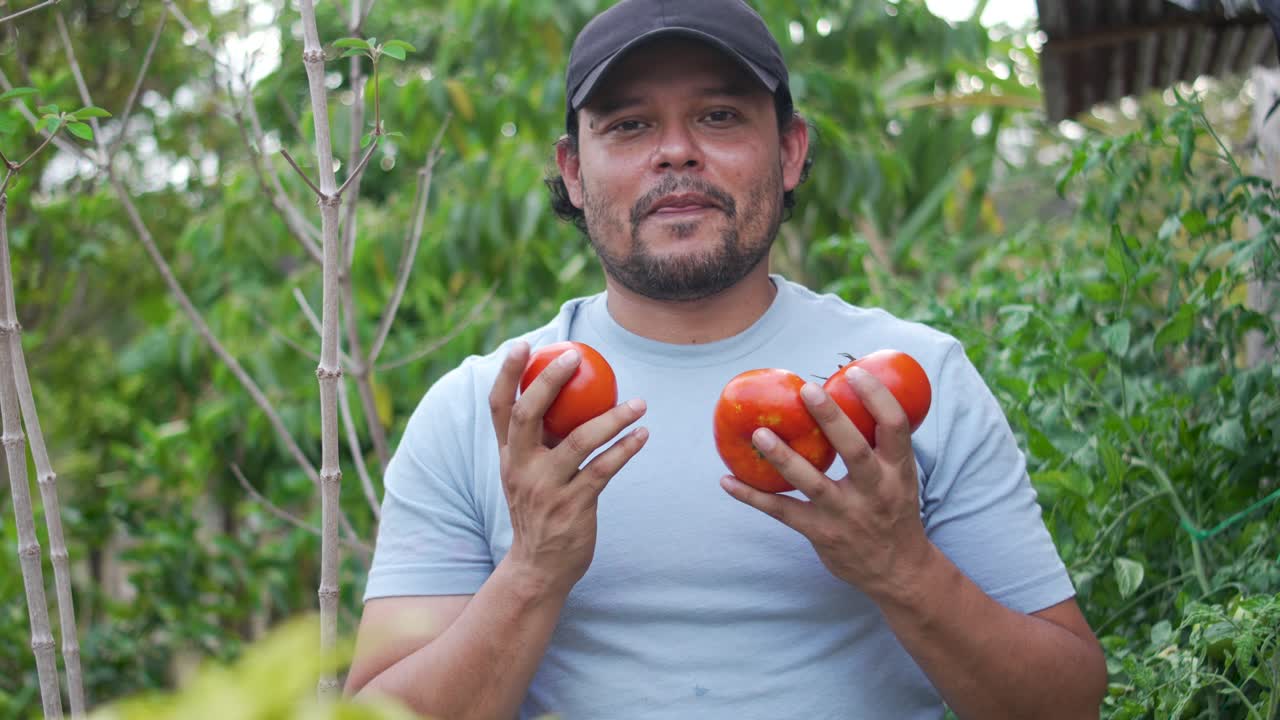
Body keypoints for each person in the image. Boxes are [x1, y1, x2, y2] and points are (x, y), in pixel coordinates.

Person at [344, 0, 1109, 717]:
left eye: (718, 115)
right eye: (630, 125)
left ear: (790, 152)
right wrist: (532, 572)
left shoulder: (909, 384)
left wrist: (903, 569)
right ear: (574, 173)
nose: (676, 151)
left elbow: (1069, 701)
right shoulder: (488, 410)